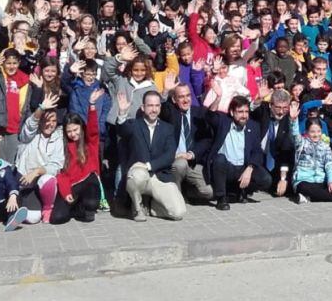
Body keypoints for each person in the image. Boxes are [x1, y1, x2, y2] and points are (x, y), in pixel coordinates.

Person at [117, 90, 186, 222]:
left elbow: (169, 156)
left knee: (178, 213)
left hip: (159, 176)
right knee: (136, 175)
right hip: (139, 175)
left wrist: (148, 165)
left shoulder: (168, 129)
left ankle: (152, 207)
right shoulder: (134, 125)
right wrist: (122, 113)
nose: (153, 109)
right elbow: (122, 130)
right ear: (143, 107)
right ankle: (137, 207)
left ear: (160, 107)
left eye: (156, 106)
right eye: (150, 106)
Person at [206, 95, 272, 210]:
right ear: (232, 112)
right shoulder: (223, 121)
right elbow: (210, 116)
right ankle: (222, 198)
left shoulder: (253, 126)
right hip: (226, 167)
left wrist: (250, 168)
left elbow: (257, 151)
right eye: (240, 112)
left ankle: (241, 191)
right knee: (219, 159)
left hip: (243, 167)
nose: (244, 115)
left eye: (246, 111)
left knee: (266, 179)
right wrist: (218, 97)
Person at [52, 89, 103, 224]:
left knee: (90, 206)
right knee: (57, 218)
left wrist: (92, 105)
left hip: (89, 181)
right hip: (72, 184)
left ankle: (84, 206)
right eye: (69, 131)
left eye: (75, 130)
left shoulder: (89, 142)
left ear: (81, 128)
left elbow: (93, 128)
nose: (73, 134)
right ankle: (74, 207)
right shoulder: (63, 145)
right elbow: (61, 174)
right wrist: (66, 192)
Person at [14, 92, 65, 224]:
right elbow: (31, 124)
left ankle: (47, 208)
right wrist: (41, 108)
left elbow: (56, 166)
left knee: (49, 179)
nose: (50, 124)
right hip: (24, 178)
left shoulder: (58, 137)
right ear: (41, 121)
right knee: (33, 218)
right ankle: (15, 208)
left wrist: (37, 171)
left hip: (39, 178)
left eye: (53, 121)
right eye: (47, 120)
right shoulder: (31, 135)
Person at [161, 82, 214, 203]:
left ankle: (189, 191)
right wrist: (165, 91)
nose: (186, 100)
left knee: (209, 192)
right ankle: (176, 198)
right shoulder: (171, 112)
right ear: (174, 99)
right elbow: (162, 110)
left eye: (188, 95)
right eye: (181, 97)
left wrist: (192, 153)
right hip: (176, 160)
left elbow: (207, 139)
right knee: (180, 165)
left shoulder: (199, 113)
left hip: (193, 161)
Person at [289, 102, 332, 204]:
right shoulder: (301, 143)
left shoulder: (325, 146)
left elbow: (330, 164)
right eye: (312, 132)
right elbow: (294, 134)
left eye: (318, 131)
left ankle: (309, 198)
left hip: (320, 180)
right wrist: (293, 120)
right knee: (304, 188)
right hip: (304, 180)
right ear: (306, 132)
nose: (316, 134)